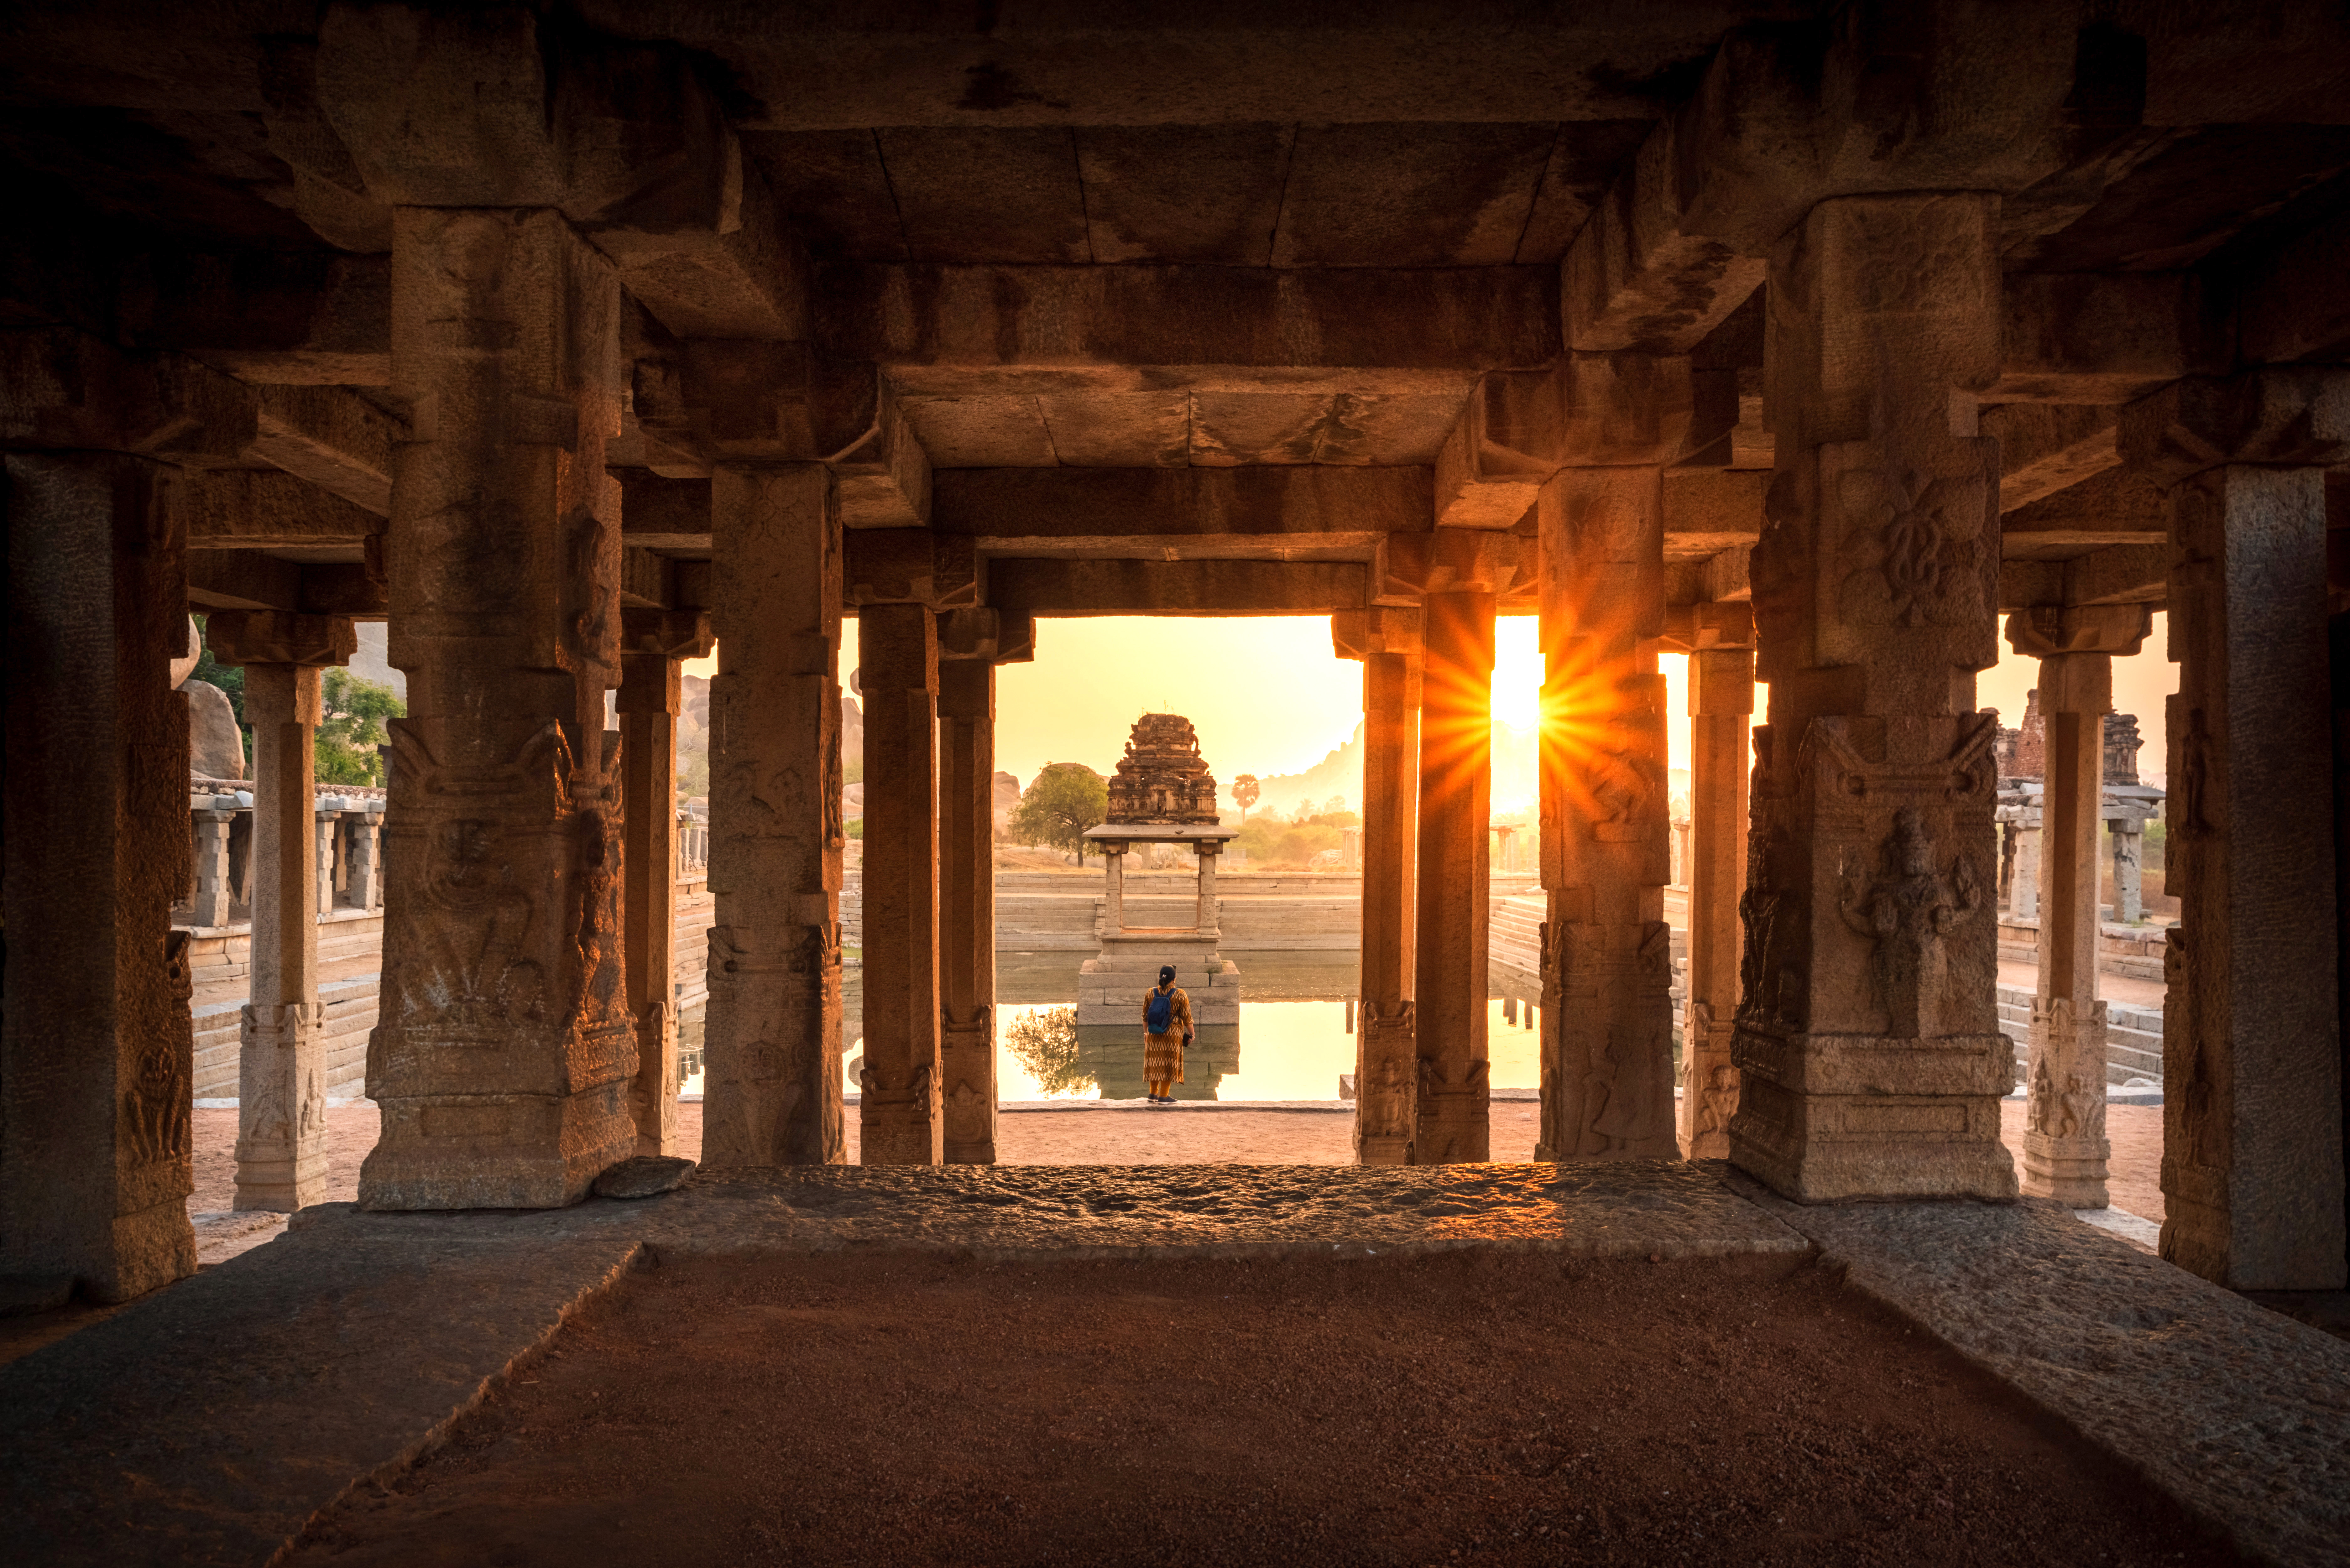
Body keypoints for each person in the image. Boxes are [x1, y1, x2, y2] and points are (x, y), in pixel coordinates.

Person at [1142, 964, 1192, 1105]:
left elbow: (1145, 1017)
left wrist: (1146, 1033)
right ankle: (1164, 1096)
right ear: (1174, 980)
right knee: (1168, 1063)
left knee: (1155, 1062)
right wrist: (1192, 1034)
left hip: (1153, 1032)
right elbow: (1187, 1018)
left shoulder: (1150, 993)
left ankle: (1153, 1095)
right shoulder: (1180, 994)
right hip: (1172, 1034)